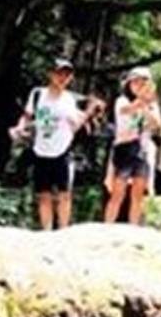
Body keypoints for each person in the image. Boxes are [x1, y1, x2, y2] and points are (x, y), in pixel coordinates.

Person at [8, 58, 104, 230]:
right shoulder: (37, 94)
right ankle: (47, 231)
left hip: (63, 150)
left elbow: (77, 124)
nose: (62, 78)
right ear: (50, 74)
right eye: (59, 73)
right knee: (43, 194)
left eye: (67, 75)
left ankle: (63, 231)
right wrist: (19, 128)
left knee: (64, 194)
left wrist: (89, 112)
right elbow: (28, 115)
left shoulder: (69, 100)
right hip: (41, 149)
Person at [104, 67, 161, 225]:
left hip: (142, 150)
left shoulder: (152, 105)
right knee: (118, 192)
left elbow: (156, 124)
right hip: (124, 149)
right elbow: (126, 110)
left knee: (137, 193)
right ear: (129, 84)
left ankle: (134, 227)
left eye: (143, 82)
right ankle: (108, 225)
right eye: (135, 82)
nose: (139, 85)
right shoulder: (122, 101)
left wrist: (147, 107)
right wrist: (142, 101)